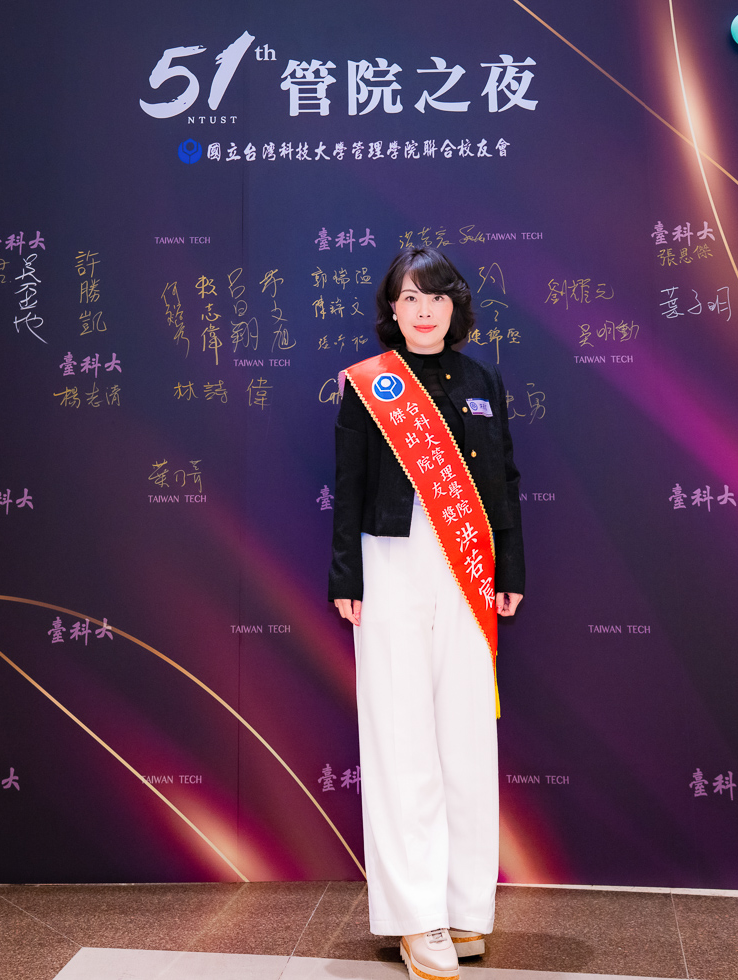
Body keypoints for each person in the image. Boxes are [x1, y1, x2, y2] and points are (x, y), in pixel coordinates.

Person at [329, 247, 525, 980]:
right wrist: (345, 574)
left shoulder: (483, 381)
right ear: (393, 308)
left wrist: (511, 568)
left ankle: (466, 907)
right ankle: (417, 917)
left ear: (455, 307)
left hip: (470, 569)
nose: (422, 310)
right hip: (391, 562)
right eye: (409, 297)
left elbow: (504, 480)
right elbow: (348, 483)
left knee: (467, 740)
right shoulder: (369, 385)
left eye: (435, 297)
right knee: (402, 738)